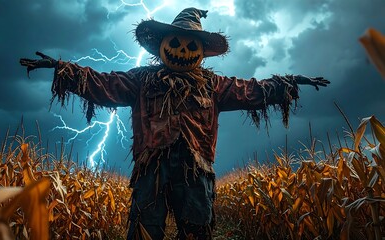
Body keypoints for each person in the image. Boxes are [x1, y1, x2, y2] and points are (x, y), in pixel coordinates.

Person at [20, 7, 330, 240]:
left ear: (201, 52)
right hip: (151, 168)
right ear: (163, 45)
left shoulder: (214, 84)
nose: (183, 50)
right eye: (177, 43)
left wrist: (289, 83)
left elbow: (251, 90)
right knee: (144, 228)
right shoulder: (141, 80)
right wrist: (61, 69)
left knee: (196, 228)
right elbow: (105, 83)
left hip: (196, 171)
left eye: (191, 45)